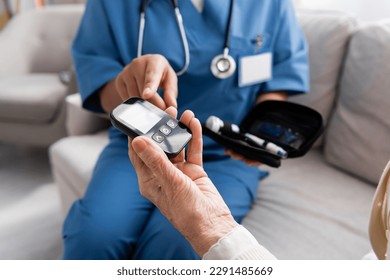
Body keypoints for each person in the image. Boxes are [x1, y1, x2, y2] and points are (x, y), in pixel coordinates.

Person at [64, 0, 309, 259]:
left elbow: (277, 83)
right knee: (92, 240)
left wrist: (258, 138)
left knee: (176, 246)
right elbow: (100, 85)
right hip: (140, 146)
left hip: (225, 154)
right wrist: (128, 84)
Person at [129, 108, 276, 259]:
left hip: (228, 156)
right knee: (105, 236)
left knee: (173, 245)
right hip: (145, 139)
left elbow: (271, 108)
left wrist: (210, 226)